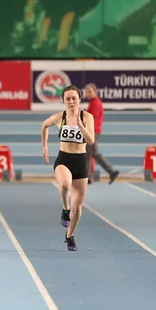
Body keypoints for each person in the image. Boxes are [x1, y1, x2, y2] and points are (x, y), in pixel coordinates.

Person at [40, 85, 95, 251]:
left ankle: (69, 235)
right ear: (63, 101)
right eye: (68, 99)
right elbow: (44, 126)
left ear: (79, 99)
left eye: (74, 98)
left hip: (81, 162)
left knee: (78, 209)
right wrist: (44, 147)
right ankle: (65, 208)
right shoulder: (59, 117)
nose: (71, 101)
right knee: (64, 185)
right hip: (64, 159)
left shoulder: (87, 117)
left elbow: (91, 140)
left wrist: (80, 126)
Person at [84, 83, 119, 184]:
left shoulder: (95, 103)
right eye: (87, 92)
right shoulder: (92, 103)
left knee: (94, 153)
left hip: (92, 132)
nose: (88, 94)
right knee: (87, 154)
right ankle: (88, 177)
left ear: (95, 92)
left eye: (90, 91)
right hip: (91, 132)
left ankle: (112, 171)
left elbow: (93, 119)